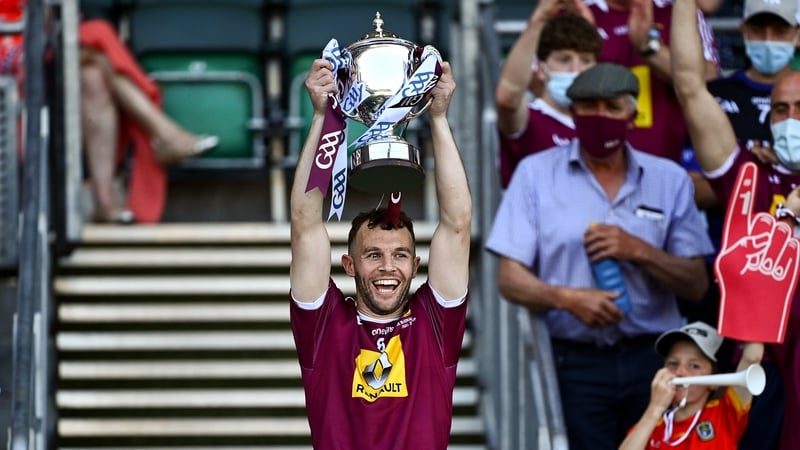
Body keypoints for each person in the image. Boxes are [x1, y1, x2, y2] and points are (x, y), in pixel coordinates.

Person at [485, 62, 714, 450]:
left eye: (612, 107)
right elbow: (510, 277)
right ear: (573, 113)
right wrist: (568, 299)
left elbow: (696, 284)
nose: (600, 116)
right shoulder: (536, 174)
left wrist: (639, 250)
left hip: (654, 358)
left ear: (632, 114)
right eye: (588, 107)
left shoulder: (669, 179)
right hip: (574, 362)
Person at [289, 58, 471, 450]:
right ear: (350, 265)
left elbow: (457, 224)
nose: (388, 267)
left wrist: (438, 119)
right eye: (373, 255)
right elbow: (305, 226)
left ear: (416, 265)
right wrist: (322, 116)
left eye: (400, 255)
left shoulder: (434, 324)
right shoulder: (323, 327)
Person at [671, 0, 800, 447]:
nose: (787, 120)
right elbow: (690, 87)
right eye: (780, 110)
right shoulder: (748, 173)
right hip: (757, 355)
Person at [79, 19, 218, 224]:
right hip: (22, 54)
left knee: (93, 76)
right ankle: (164, 133)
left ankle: (104, 203)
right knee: (97, 35)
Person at [582, 0, 718, 164]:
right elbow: (546, 85)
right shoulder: (578, 12)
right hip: (593, 162)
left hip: (669, 162)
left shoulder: (679, 11)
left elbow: (710, 79)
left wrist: (649, 48)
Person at [495, 2, 601, 188]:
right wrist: (539, 20)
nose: (576, 70)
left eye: (585, 61)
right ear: (541, 68)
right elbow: (507, 98)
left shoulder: (603, 124)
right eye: (564, 59)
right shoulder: (532, 120)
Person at [620, 322, 764, 449]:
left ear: (715, 382)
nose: (680, 372)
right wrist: (655, 408)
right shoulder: (650, 425)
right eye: (673, 363)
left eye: (694, 366)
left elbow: (752, 358)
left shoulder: (725, 414)